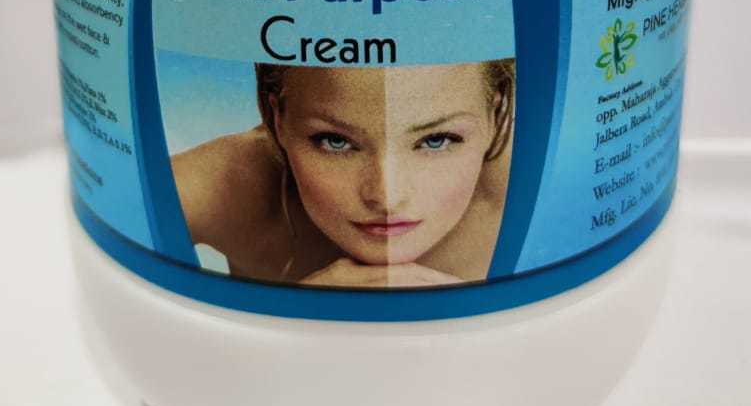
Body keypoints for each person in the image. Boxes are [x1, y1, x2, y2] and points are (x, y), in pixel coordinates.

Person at [170, 60, 514, 288]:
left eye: (436, 140)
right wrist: (297, 311)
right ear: (278, 119)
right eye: (336, 142)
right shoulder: (230, 184)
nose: (387, 197)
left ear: (496, 116)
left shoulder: (531, 190)